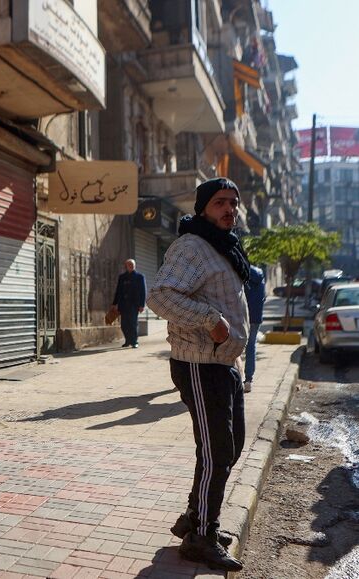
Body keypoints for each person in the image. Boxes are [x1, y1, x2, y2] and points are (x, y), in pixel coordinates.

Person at [147, 177, 249, 572]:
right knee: (216, 451)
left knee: (231, 445)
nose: (229, 209)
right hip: (199, 363)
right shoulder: (192, 246)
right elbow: (159, 295)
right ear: (204, 206)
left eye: (234, 203)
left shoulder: (222, 245)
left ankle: (195, 517)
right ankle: (202, 537)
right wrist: (211, 321)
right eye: (221, 202)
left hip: (223, 363)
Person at [110, 259, 147, 348]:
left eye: (132, 264)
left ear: (134, 266)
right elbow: (118, 291)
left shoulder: (139, 277)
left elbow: (143, 291)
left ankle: (134, 341)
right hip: (123, 305)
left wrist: (142, 305)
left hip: (134, 305)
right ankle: (127, 340)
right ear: (126, 266)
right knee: (124, 325)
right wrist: (114, 303)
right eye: (129, 264)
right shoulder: (122, 277)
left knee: (133, 323)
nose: (130, 266)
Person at [244, 265, 266, 393]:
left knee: (234, 347)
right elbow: (264, 297)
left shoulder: (241, 273)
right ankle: (248, 380)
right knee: (251, 347)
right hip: (256, 317)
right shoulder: (260, 275)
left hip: (242, 317)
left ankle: (232, 379)